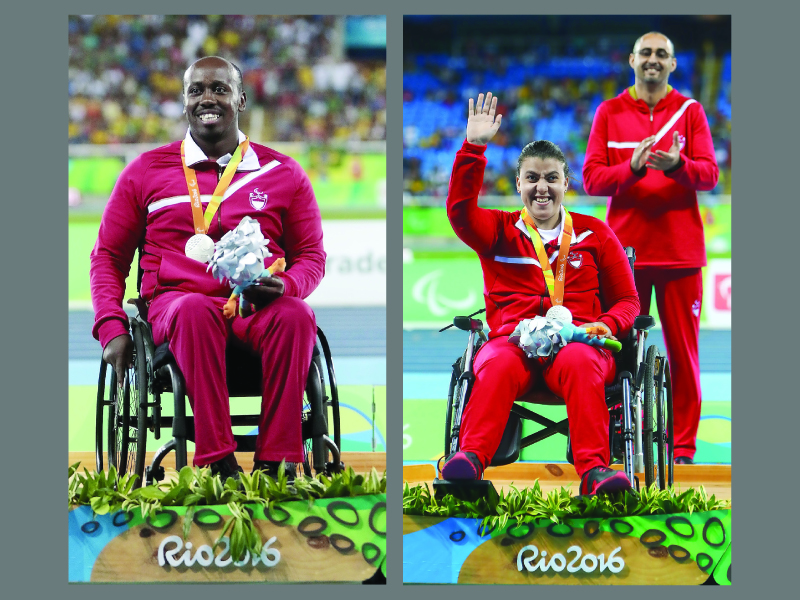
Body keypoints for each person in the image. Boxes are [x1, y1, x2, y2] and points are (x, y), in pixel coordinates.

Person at [90, 56, 325, 480]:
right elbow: (108, 256)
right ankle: (219, 462)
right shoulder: (145, 172)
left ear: (241, 98)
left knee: (297, 315)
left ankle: (275, 464)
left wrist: (287, 286)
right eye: (196, 90)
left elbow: (312, 256)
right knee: (194, 309)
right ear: (184, 102)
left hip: (253, 310)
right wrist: (110, 327)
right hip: (176, 310)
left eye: (219, 88)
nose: (207, 99)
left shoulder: (283, 173)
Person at [441, 92, 640, 495]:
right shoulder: (497, 231)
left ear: (567, 182)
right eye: (532, 178)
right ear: (518, 184)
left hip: (579, 345)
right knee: (493, 363)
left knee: (582, 361)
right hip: (513, 345)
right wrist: (473, 148)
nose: (542, 188)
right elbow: (460, 212)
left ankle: (595, 473)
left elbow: (629, 301)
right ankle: (470, 460)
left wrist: (605, 324)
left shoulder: (596, 233)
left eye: (551, 178)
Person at [583, 32, 719, 465]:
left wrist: (679, 166)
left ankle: (681, 449)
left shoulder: (691, 113)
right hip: (625, 255)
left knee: (683, 356)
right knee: (618, 351)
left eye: (662, 54)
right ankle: (624, 443)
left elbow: (710, 176)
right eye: (646, 53)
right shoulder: (609, 112)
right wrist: (634, 167)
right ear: (631, 60)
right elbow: (591, 180)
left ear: (673, 64)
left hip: (680, 256)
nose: (653, 60)